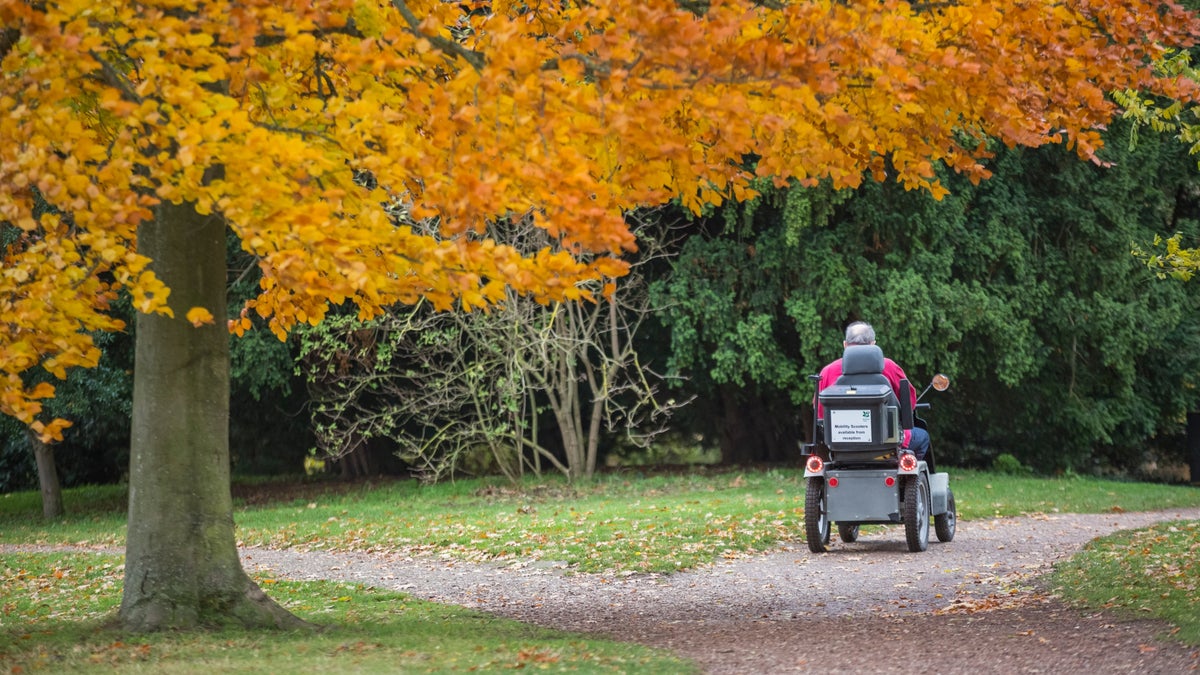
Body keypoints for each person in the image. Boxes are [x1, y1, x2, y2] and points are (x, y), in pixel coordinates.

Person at [817, 321, 931, 460]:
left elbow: (821, 414)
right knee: (923, 436)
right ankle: (909, 475)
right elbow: (910, 402)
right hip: (888, 444)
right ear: (873, 344)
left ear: (845, 345)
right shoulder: (889, 367)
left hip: (841, 447)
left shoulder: (827, 372)